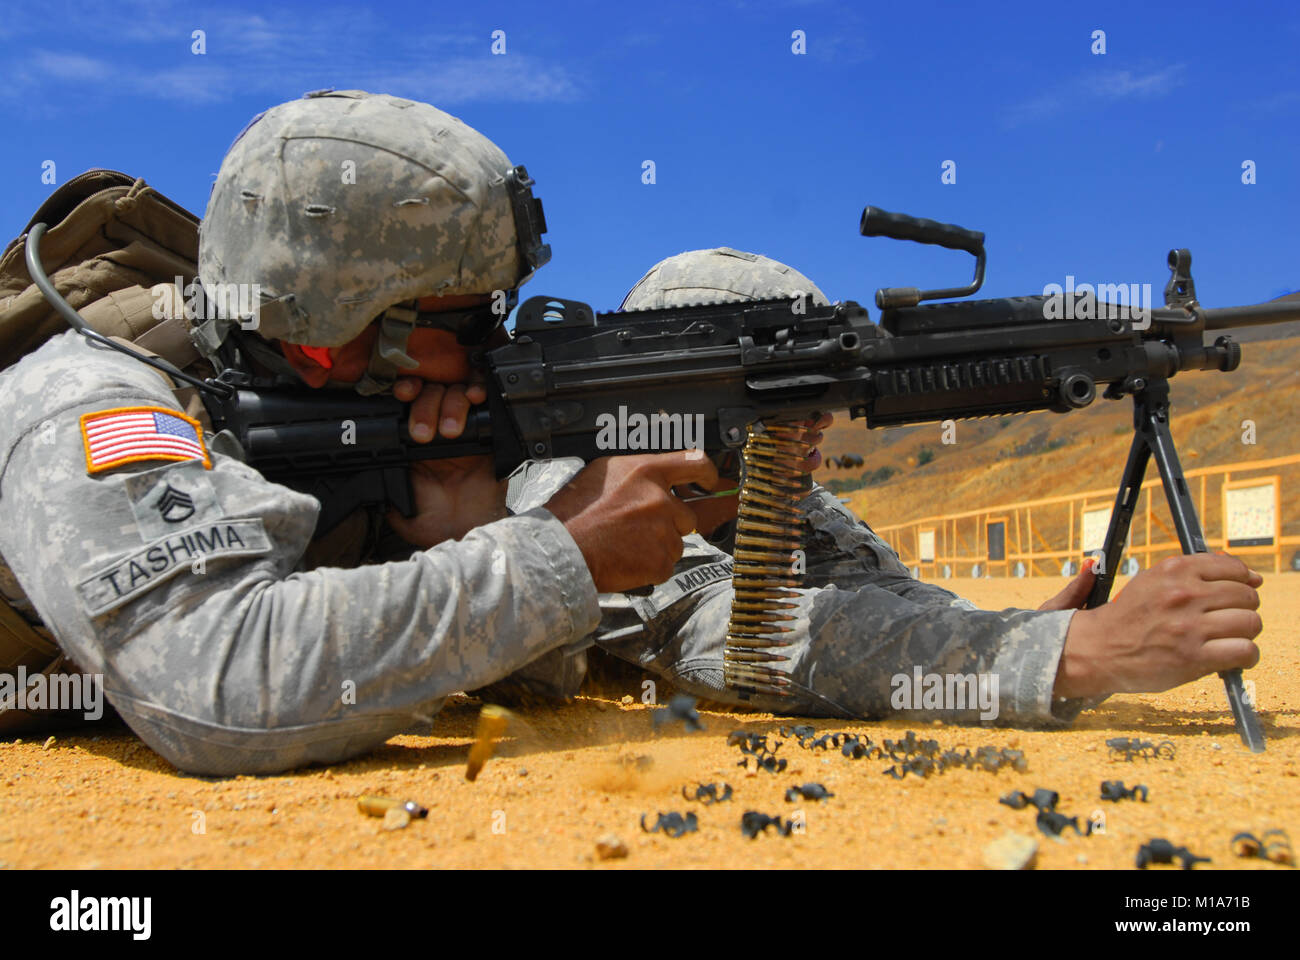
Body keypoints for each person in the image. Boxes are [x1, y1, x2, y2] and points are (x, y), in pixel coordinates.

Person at [0, 91, 727, 774]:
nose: (494, 348)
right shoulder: (86, 398)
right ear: (327, 340)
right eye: (469, 321)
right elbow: (217, 693)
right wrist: (557, 553)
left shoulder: (358, 429)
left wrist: (463, 534)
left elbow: (530, 694)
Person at [582, 248, 1264, 721]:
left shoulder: (763, 485)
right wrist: (1079, 654)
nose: (822, 416)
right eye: (787, 386)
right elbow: (740, 640)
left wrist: (1020, 631)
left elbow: (877, 595)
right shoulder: (581, 491)